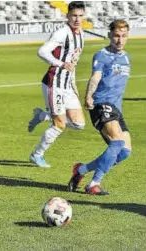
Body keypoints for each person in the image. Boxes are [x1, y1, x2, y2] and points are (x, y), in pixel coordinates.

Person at [68, 20, 131, 195]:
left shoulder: (126, 58)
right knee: (117, 142)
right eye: (116, 36)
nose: (120, 40)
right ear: (110, 35)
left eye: (123, 36)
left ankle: (80, 170)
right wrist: (89, 95)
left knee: (124, 152)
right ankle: (93, 184)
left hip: (116, 110)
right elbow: (95, 77)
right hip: (101, 104)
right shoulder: (101, 55)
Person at [28, 1, 86, 168]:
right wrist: (60, 64)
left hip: (67, 84)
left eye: (80, 16)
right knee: (59, 124)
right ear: (67, 16)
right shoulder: (62, 33)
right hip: (54, 83)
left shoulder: (80, 34)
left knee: (79, 124)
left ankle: (43, 116)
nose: (77, 19)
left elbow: (73, 61)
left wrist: (73, 82)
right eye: (74, 15)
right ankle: (37, 155)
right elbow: (42, 52)